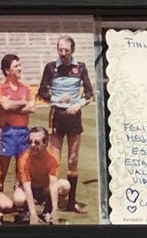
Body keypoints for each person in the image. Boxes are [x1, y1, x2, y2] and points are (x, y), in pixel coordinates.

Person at [36, 34, 95, 214]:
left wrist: (78, 104)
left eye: (66, 50)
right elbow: (41, 93)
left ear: (73, 51)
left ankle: (71, 202)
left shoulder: (80, 67)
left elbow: (90, 93)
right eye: (60, 50)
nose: (63, 53)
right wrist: (56, 98)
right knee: (54, 160)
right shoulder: (51, 67)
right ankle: (48, 203)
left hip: (74, 116)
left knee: (73, 159)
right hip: (57, 115)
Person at [0, 53, 35, 192]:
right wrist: (23, 103)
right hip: (6, 132)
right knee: (1, 171)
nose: (20, 68)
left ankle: (21, 202)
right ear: (7, 70)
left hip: (23, 132)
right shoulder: (0, 87)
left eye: (20, 65)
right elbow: (5, 106)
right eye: (16, 66)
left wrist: (13, 107)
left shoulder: (26, 87)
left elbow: (32, 107)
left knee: (22, 169)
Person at [13, 126, 68, 224]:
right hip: (29, 188)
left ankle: (48, 210)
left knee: (64, 185)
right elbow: (27, 187)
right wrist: (33, 213)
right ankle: (27, 212)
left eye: (37, 142)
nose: (32, 145)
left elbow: (53, 184)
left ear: (46, 143)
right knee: (18, 199)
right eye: (30, 142)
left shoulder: (53, 157)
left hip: (43, 188)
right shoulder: (24, 158)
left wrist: (55, 210)